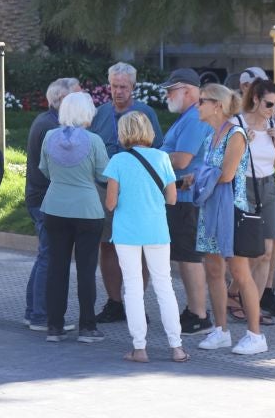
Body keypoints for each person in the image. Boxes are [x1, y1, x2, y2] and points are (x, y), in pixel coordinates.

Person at [102, 112, 189, 362]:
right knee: (164, 286)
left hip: (126, 232)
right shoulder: (162, 158)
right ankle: (177, 347)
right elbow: (172, 198)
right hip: (157, 230)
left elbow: (110, 203)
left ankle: (139, 348)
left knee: (132, 287)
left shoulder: (118, 161)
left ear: (123, 132)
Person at [194, 84, 268, 355]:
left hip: (230, 212)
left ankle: (256, 335)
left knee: (239, 272)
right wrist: (201, 175)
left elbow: (225, 175)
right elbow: (209, 173)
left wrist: (200, 175)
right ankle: (221, 330)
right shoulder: (210, 137)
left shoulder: (235, 134)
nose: (197, 105)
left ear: (217, 105)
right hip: (210, 209)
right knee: (213, 270)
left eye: (202, 100)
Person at [90, 62, 163, 324]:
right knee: (107, 245)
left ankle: (137, 301)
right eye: (114, 86)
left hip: (136, 193)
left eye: (123, 86)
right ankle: (115, 302)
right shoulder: (99, 114)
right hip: (104, 188)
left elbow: (158, 150)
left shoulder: (145, 114)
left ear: (133, 86)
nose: (118, 91)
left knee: (139, 248)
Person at [39, 92, 108, 344]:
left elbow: (45, 170)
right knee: (86, 269)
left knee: (56, 267)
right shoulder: (95, 141)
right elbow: (103, 174)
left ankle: (54, 326)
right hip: (88, 210)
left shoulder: (49, 137)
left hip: (55, 207)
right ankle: (88, 327)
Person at [159, 68, 214, 336]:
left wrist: (152, 157)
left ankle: (199, 315)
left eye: (172, 90)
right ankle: (195, 311)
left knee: (189, 257)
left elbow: (181, 160)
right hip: (181, 196)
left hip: (185, 199)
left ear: (189, 91)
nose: (167, 94)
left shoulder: (193, 118)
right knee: (185, 256)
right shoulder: (188, 117)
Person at [231, 73, 275, 319]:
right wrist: (245, 142)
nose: (272, 109)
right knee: (248, 251)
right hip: (244, 186)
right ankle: (236, 296)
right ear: (255, 99)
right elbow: (227, 161)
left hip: (268, 187)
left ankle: (251, 306)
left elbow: (273, 162)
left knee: (266, 250)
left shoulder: (272, 125)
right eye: (269, 104)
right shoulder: (238, 124)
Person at [24, 77, 80, 332]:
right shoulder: (52, 127)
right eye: (77, 96)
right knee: (49, 256)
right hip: (46, 200)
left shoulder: (48, 121)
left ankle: (34, 312)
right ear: (62, 100)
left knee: (44, 255)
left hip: (41, 198)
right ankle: (40, 315)